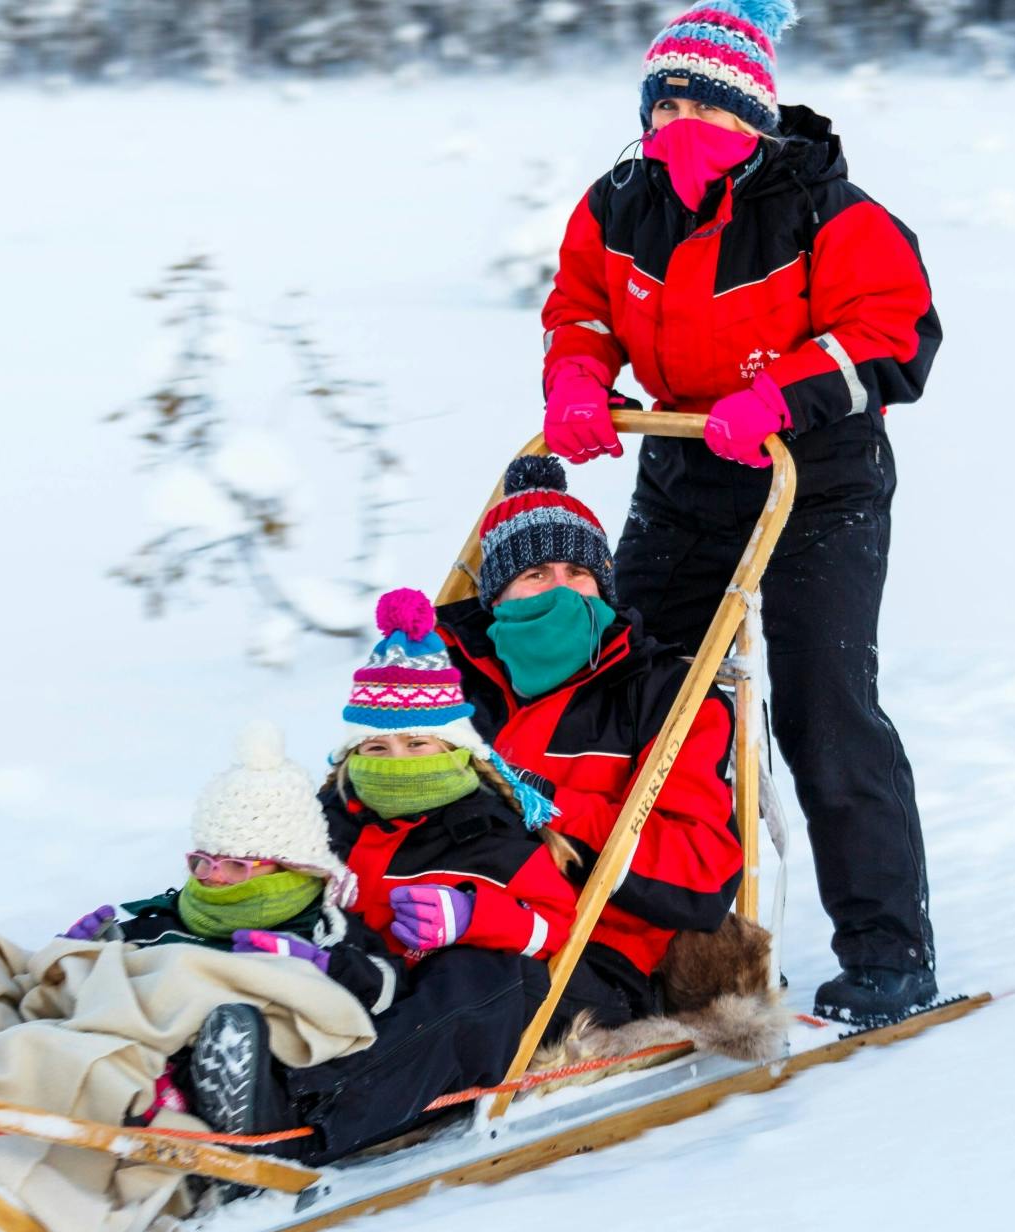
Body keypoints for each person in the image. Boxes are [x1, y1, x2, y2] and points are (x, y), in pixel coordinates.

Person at [537, 0, 943, 1021]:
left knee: (822, 710)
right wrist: (578, 385)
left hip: (815, 479)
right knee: (638, 701)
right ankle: (650, 951)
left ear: (752, 119)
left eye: (704, 106)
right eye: (662, 101)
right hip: (685, 470)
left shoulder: (830, 210)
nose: (680, 122)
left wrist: (780, 395)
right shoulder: (616, 203)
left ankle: (889, 953)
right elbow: (581, 307)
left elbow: (895, 338)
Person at [184, 590, 599, 1165]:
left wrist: (473, 915)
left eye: (416, 743)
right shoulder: (330, 819)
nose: (397, 761)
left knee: (476, 977)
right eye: (377, 746)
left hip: (452, 1001)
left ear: (453, 747)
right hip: (357, 973)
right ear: (352, 754)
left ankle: (292, 1121)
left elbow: (553, 927)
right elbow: (250, 871)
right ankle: (201, 1073)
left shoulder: (492, 830)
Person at [435, 456, 745, 1014]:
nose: (563, 592)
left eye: (577, 574)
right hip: (441, 913)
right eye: (535, 575)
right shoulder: (447, 678)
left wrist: (552, 810)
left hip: (594, 952)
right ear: (496, 599)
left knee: (467, 988)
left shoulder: (666, 698)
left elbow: (701, 873)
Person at [57, 720, 405, 1121]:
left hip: (253, 1060)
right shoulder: (172, 918)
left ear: (290, 869)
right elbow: (128, 970)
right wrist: (81, 952)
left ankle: (205, 1094)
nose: (214, 878)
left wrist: (324, 966)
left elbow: (386, 986)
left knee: (236, 1014)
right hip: (143, 1046)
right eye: (203, 862)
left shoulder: (323, 928)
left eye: (237, 866)